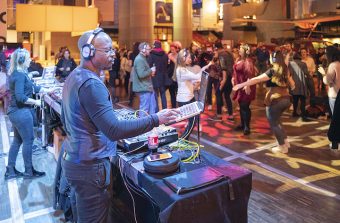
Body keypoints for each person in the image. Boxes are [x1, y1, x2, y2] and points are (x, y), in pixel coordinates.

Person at [60, 28, 179, 223]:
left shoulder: (76, 76)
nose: (112, 54)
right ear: (88, 52)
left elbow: (70, 119)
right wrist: (156, 119)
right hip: (90, 167)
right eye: (106, 50)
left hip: (76, 161)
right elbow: (114, 130)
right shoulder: (91, 84)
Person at [4, 48, 53, 180]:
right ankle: (28, 171)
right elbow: (20, 97)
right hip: (21, 112)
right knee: (28, 140)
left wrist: (48, 90)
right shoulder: (19, 75)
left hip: (15, 111)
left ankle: (10, 170)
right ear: (21, 60)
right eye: (28, 58)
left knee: (18, 140)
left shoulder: (20, 72)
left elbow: (33, 87)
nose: (30, 59)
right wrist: (36, 103)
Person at [233, 51, 295, 154]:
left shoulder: (272, 71)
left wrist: (240, 85)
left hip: (275, 100)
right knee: (278, 122)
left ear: (273, 59)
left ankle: (282, 147)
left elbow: (257, 79)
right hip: (286, 99)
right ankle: (285, 142)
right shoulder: (286, 71)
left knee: (274, 124)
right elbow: (293, 86)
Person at [176, 48, 211, 139]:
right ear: (183, 58)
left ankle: (184, 140)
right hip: (185, 99)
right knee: (192, 121)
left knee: (193, 121)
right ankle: (183, 140)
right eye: (188, 58)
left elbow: (193, 80)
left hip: (189, 97)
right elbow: (197, 76)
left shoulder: (183, 68)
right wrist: (206, 67)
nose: (190, 60)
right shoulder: (181, 70)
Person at [232, 44, 256, 135]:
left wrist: (247, 85)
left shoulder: (248, 61)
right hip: (240, 86)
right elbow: (235, 71)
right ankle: (243, 124)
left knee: (245, 106)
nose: (239, 50)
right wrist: (233, 79)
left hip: (246, 87)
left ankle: (247, 127)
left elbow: (250, 74)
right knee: (242, 106)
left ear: (246, 51)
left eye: (241, 49)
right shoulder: (240, 59)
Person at [132, 42, 157, 116]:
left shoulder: (142, 58)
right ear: (143, 50)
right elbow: (141, 74)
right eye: (148, 49)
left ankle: (152, 124)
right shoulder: (140, 59)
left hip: (146, 87)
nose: (150, 51)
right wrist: (151, 70)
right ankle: (142, 126)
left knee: (152, 107)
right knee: (144, 109)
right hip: (144, 87)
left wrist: (149, 72)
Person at [148, 40, 169, 111]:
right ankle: (165, 109)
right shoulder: (165, 55)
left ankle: (157, 110)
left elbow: (149, 65)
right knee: (163, 94)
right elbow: (166, 65)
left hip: (154, 77)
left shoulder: (151, 55)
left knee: (155, 95)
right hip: (163, 77)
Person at [288, 53, 309, 121]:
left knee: (295, 99)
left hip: (294, 84)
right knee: (303, 100)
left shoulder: (290, 64)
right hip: (302, 84)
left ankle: (294, 112)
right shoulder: (303, 64)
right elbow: (306, 73)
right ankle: (303, 115)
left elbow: (288, 74)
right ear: (300, 58)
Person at [167, 41, 181, 108]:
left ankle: (180, 108)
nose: (172, 51)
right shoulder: (169, 55)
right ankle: (174, 108)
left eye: (173, 50)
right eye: (171, 49)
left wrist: (172, 59)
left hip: (178, 78)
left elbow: (179, 65)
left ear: (177, 49)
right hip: (171, 77)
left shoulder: (179, 56)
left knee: (179, 94)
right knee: (172, 94)